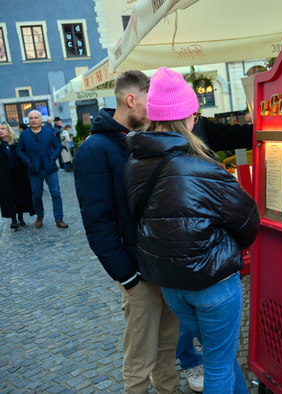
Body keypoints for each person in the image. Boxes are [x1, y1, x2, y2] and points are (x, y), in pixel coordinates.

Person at [74, 69, 254, 394]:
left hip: (168, 279)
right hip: (178, 278)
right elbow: (247, 222)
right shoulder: (198, 164)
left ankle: (171, 387)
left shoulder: (134, 158)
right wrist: (128, 278)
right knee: (190, 359)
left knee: (182, 351)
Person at [73, 70, 180, 394]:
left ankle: (169, 389)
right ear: (130, 100)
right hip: (137, 272)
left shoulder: (143, 141)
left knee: (166, 345)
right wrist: (128, 279)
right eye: (150, 100)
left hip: (161, 265)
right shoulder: (93, 150)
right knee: (139, 356)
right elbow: (99, 225)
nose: (155, 108)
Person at [16, 110, 68, 229]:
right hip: (34, 170)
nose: (33, 120)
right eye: (31, 118)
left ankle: (59, 219)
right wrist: (27, 160)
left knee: (55, 193)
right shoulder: (24, 134)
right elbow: (19, 150)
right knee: (36, 195)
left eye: (36, 118)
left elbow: (58, 146)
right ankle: (40, 215)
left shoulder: (49, 132)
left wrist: (53, 157)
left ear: (41, 120)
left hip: (50, 168)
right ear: (28, 121)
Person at [0, 122, 35, 230]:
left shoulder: (16, 143)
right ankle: (13, 220)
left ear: (8, 130)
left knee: (20, 196)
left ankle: (20, 217)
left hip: (18, 175)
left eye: (2, 129)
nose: (0, 131)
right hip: (5, 176)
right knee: (9, 198)